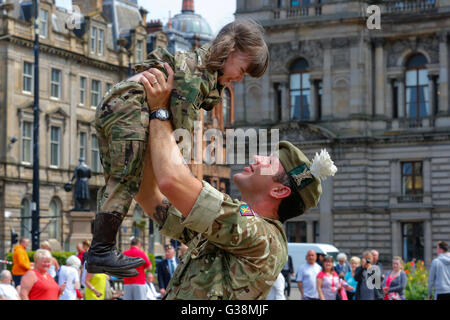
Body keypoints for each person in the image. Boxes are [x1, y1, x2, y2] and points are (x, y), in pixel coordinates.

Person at [86, 19, 271, 278]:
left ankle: (101, 249)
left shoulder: (200, 69)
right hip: (128, 107)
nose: (239, 78)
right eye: (243, 69)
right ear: (231, 50)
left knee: (124, 178)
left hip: (118, 105)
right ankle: (101, 250)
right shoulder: (197, 75)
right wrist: (181, 174)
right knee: (126, 178)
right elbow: (179, 132)